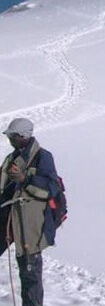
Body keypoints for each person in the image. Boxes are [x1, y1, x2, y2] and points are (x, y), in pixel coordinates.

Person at [0, 118, 61, 306]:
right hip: (7, 219)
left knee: (30, 275)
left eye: (13, 136)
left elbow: (51, 189)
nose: (10, 139)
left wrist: (24, 179)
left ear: (23, 136)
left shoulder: (43, 157)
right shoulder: (11, 157)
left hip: (29, 225)